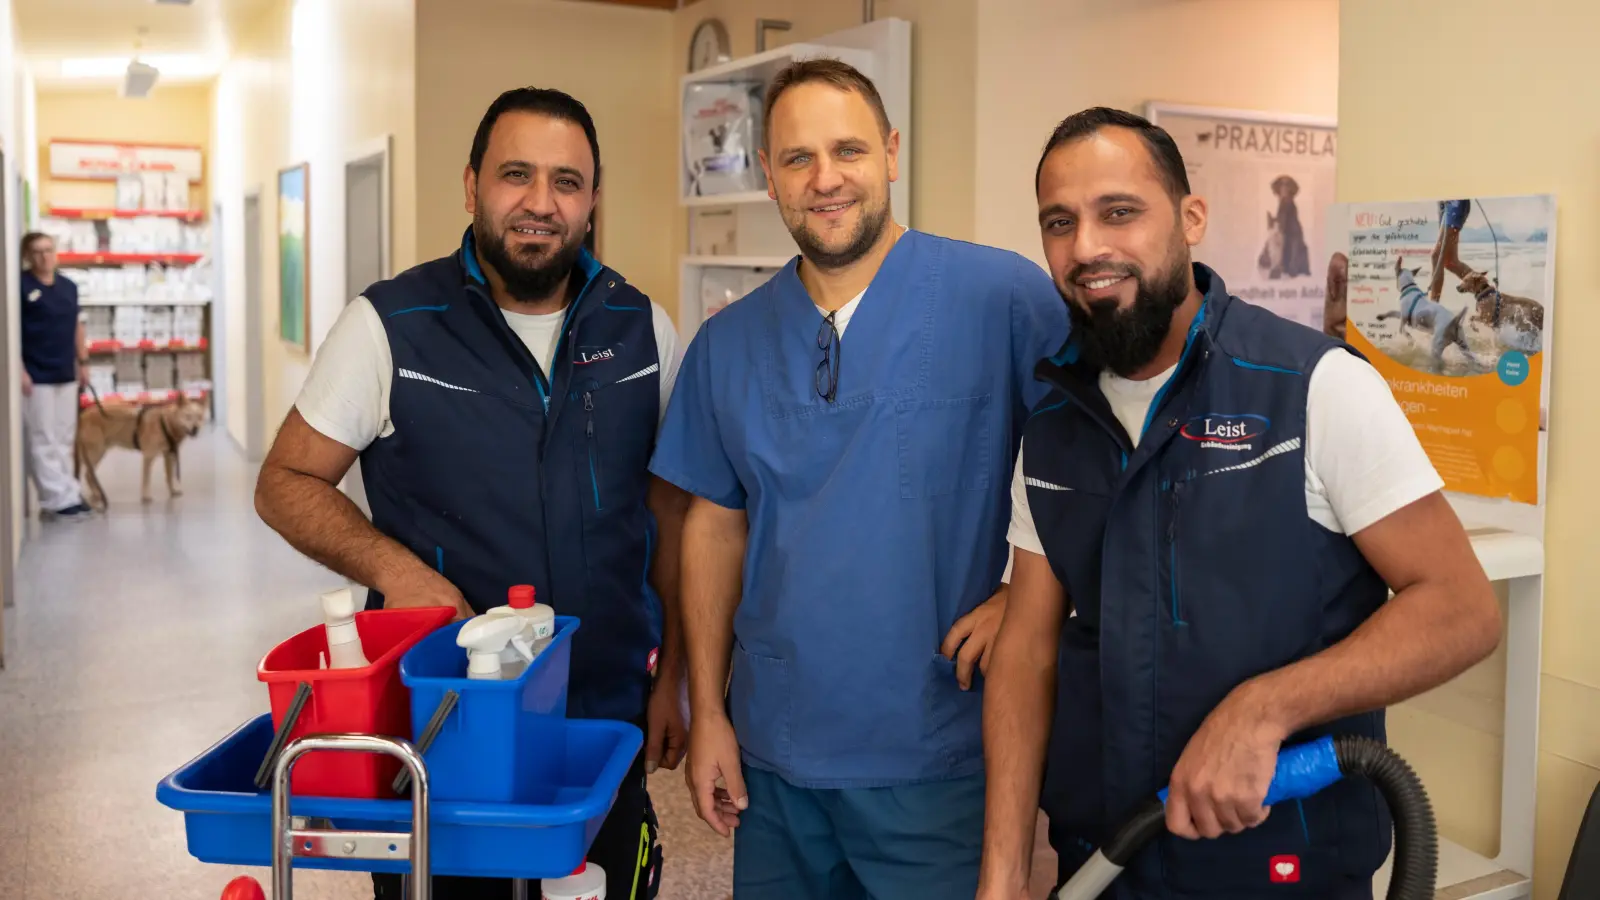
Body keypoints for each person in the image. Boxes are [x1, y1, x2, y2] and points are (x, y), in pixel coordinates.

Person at [978, 108, 1503, 900]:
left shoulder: (1314, 387)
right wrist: (1004, 870)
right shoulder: (1055, 423)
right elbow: (1027, 654)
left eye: (1119, 211)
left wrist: (1265, 709)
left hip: (1280, 867)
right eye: (1061, 222)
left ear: (1191, 218)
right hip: (1103, 865)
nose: (1087, 247)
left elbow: (1463, 610)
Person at [649, 59, 1070, 900]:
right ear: (768, 175)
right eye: (798, 158)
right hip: (778, 756)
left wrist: (1022, 595)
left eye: (847, 149)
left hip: (937, 752)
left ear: (890, 152)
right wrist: (712, 714)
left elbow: (1089, 466)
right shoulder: (727, 344)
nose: (826, 178)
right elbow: (712, 525)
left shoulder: (1003, 299)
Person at [254, 87, 686, 900]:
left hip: (602, 723)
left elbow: (669, 513)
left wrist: (677, 680)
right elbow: (284, 482)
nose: (539, 202)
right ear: (471, 186)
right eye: (515, 174)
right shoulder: (390, 325)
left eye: (566, 181)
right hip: (443, 731)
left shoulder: (643, 329)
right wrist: (401, 572)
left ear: (593, 201)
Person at [20, 232, 92, 520]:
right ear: (27, 256)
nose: (44, 256)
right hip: (36, 375)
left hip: (66, 371)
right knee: (43, 437)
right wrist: (19, 370)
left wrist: (83, 362)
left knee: (64, 436)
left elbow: (76, 326)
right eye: (36, 252)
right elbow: (10, 332)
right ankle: (55, 500)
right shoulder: (21, 286)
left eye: (48, 250)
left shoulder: (68, 287)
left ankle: (69, 492)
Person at [1427, 199, 1491, 300]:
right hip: (1442, 201)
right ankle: (1489, 295)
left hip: (1455, 201)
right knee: (1450, 262)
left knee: (1437, 256)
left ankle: (1433, 309)